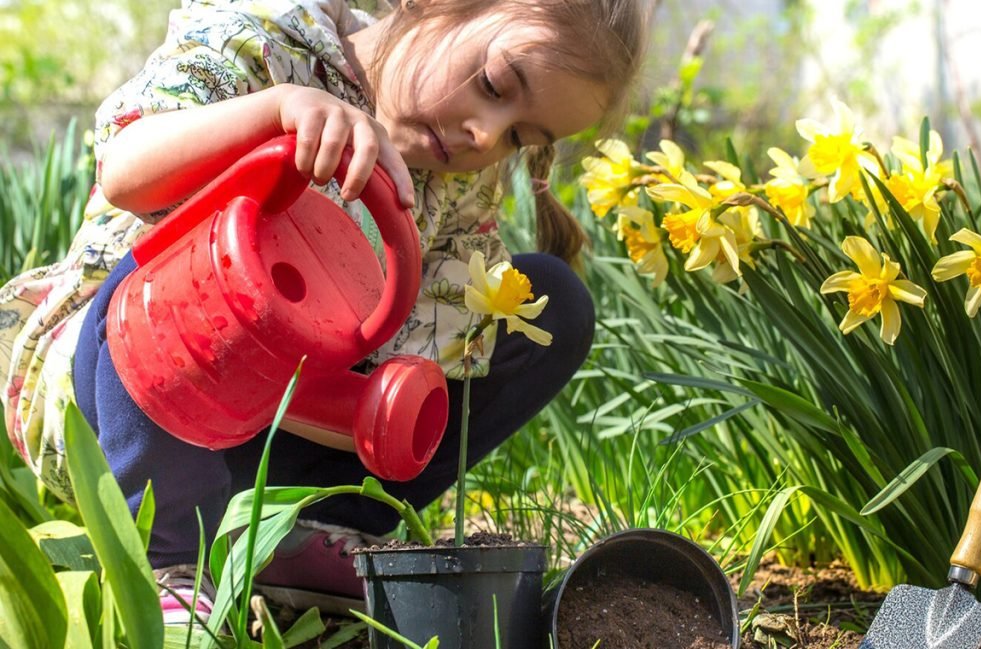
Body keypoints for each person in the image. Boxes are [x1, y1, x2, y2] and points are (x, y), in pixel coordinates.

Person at [0, 0, 650, 623]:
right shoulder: (266, 39)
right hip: (117, 371)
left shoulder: (459, 181)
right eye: (493, 83)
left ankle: (310, 529)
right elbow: (124, 168)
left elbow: (402, 373)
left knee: (550, 303)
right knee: (196, 292)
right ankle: (176, 561)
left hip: (277, 402)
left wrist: (383, 416)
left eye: (520, 137)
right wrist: (277, 111)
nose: (486, 133)